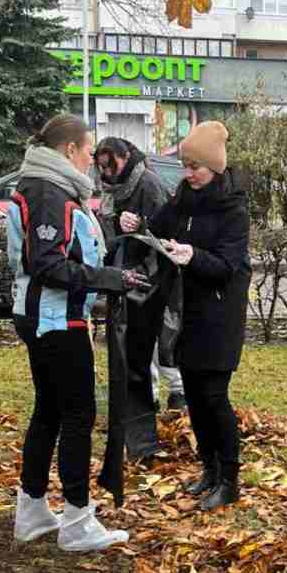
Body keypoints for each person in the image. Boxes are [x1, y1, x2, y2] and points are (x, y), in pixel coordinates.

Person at [8, 114, 146, 552]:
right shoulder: (49, 191)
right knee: (76, 414)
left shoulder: (45, 185)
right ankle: (77, 520)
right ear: (70, 150)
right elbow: (47, 263)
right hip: (56, 321)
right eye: (89, 151)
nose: (92, 159)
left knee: (49, 410)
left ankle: (31, 511)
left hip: (43, 316)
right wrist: (110, 278)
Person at [120, 121, 250, 511]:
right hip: (187, 311)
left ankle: (230, 479)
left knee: (214, 396)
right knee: (193, 395)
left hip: (220, 315)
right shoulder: (182, 198)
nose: (189, 173)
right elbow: (158, 229)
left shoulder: (234, 207)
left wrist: (193, 256)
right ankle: (208, 469)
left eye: (196, 166)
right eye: (186, 165)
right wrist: (136, 224)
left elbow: (228, 265)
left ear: (215, 166)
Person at [95, 136, 171, 459]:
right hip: (124, 282)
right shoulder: (112, 192)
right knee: (129, 363)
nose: (109, 175)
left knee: (139, 361)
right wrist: (116, 222)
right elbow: (108, 234)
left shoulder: (149, 185)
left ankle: (142, 442)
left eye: (113, 166)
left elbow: (168, 234)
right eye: (102, 169)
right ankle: (136, 439)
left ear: (126, 157)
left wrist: (140, 224)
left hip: (148, 284)